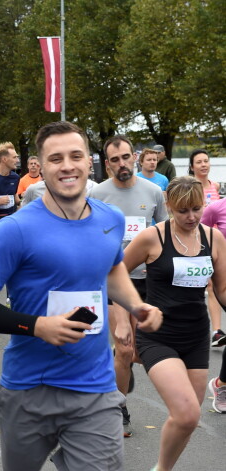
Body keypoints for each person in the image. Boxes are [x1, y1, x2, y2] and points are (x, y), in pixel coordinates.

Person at [0, 121, 162, 471]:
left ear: (89, 163)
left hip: (95, 387)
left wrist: (135, 303)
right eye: (56, 158)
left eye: (75, 156)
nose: (67, 165)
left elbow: (112, 268)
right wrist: (37, 326)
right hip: (30, 388)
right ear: (40, 166)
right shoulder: (16, 230)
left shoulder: (110, 218)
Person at [123, 176, 226, 470]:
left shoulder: (213, 238)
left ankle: (162, 468)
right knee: (184, 413)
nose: (191, 217)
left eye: (196, 208)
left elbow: (222, 289)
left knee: (190, 418)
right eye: (183, 211)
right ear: (169, 206)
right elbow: (115, 274)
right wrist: (129, 316)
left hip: (195, 336)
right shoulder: (152, 237)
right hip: (157, 336)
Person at [90, 134, 168, 437]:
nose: (122, 163)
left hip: (148, 284)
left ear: (133, 157)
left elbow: (164, 236)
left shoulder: (153, 192)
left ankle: (118, 370)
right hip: (112, 282)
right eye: (115, 160)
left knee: (135, 352)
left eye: (126, 157)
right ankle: (118, 408)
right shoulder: (98, 194)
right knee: (124, 347)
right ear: (107, 164)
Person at [201, 196, 226, 347]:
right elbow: (199, 233)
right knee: (211, 288)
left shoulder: (214, 186)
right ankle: (217, 331)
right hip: (223, 269)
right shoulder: (217, 207)